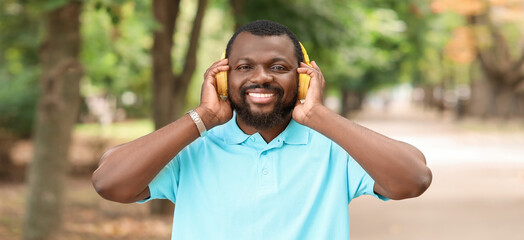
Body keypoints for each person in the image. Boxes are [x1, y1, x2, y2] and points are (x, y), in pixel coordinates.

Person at [92, 20, 432, 240]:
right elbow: (109, 183)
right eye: (244, 67)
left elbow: (413, 178)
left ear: (302, 78)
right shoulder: (193, 147)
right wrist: (203, 116)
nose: (262, 77)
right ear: (224, 78)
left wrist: (317, 114)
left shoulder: (334, 147)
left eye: (279, 67)